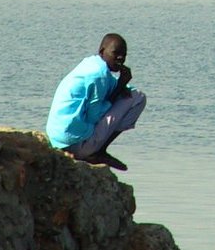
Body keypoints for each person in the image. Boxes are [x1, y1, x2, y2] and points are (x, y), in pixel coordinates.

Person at [46, 33, 147, 171]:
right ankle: (97, 151)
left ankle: (96, 149)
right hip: (74, 144)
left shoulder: (92, 64)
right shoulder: (99, 76)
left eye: (124, 55)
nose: (120, 58)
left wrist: (121, 86)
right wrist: (120, 85)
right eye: (116, 53)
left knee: (131, 94)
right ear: (102, 51)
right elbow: (95, 117)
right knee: (138, 98)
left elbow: (113, 88)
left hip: (57, 140)